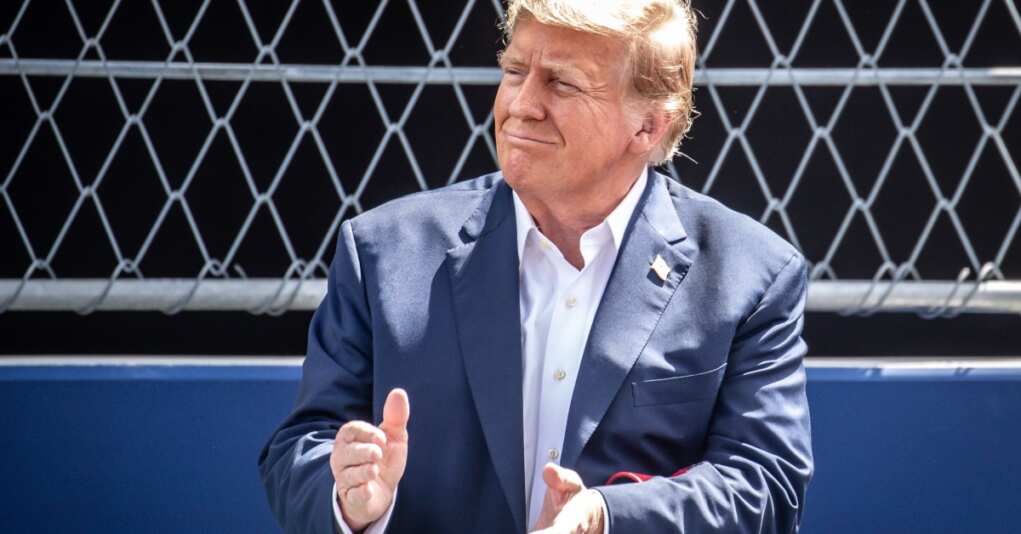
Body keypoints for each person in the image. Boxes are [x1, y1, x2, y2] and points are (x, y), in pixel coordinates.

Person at [258, 1, 813, 532]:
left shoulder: (748, 275)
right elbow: (299, 450)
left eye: (562, 83)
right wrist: (349, 498)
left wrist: (608, 518)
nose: (521, 104)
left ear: (648, 125)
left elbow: (765, 486)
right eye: (515, 71)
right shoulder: (385, 252)